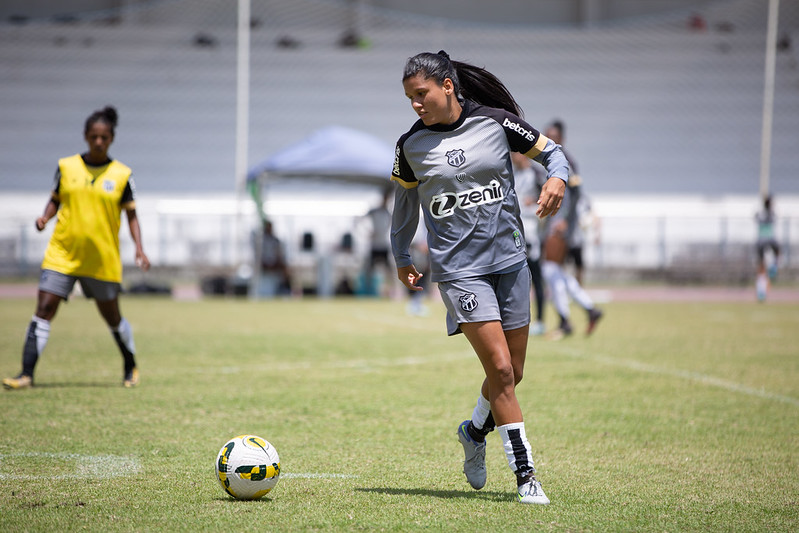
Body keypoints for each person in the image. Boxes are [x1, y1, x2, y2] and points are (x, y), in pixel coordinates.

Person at [390, 51, 569, 505]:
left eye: (422, 94)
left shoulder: (495, 122)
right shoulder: (410, 146)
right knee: (502, 370)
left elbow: (553, 153)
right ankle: (526, 477)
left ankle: (473, 432)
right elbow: (404, 205)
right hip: (459, 272)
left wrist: (558, 179)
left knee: (515, 372)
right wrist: (400, 253)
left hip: (510, 261)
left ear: (448, 85)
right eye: (410, 98)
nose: (416, 104)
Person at [3, 106, 150, 390]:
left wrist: (140, 249)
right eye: (94, 136)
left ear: (111, 139)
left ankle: (130, 366)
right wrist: (45, 216)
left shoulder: (122, 175)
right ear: (85, 136)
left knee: (112, 317)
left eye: (104, 137)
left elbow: (131, 215)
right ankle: (25, 373)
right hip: (63, 253)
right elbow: (56, 198)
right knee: (44, 309)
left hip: (101, 258)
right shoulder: (66, 167)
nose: (98, 142)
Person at [541, 219, 603, 340]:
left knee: (561, 288)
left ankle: (566, 320)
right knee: (565, 287)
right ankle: (587, 311)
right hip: (552, 264)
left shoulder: (568, 217)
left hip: (553, 264)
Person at [511, 152, 545, 335]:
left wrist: (535, 203)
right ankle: (520, 321)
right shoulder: (513, 174)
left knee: (536, 278)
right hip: (516, 232)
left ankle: (540, 320)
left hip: (531, 233)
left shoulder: (535, 174)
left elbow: (548, 198)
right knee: (519, 281)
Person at [755, 195, 780, 301]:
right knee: (778, 252)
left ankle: (761, 292)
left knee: (761, 269)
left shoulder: (760, 213)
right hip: (769, 239)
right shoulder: (772, 213)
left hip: (760, 241)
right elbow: (773, 219)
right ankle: (774, 267)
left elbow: (756, 218)